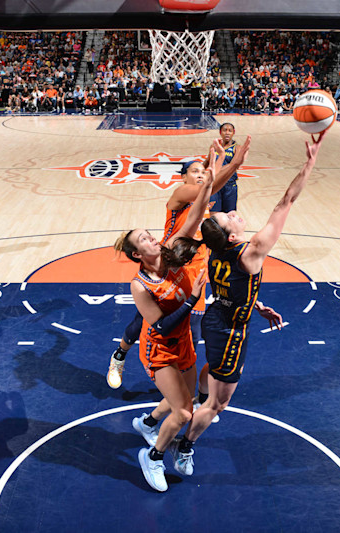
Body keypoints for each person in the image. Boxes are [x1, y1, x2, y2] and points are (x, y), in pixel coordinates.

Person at [170, 134, 323, 479]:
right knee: (218, 404)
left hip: (217, 315)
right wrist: (309, 163)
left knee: (213, 371)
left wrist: (258, 305)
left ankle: (195, 403)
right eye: (231, 219)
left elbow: (231, 289)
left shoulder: (214, 250)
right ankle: (183, 445)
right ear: (234, 237)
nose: (235, 215)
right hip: (230, 331)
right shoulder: (251, 252)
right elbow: (285, 203)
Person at [106, 136, 251, 389]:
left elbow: (212, 195)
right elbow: (209, 186)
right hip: (168, 264)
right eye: (193, 172)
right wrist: (232, 164)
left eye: (201, 172)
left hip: (194, 273)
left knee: (188, 333)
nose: (199, 175)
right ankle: (119, 355)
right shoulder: (181, 194)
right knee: (144, 321)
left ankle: (183, 385)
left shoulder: (207, 208)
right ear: (183, 177)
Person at [115, 149, 220, 492]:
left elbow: (193, 219)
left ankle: (148, 422)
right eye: (145, 239)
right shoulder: (140, 284)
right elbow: (161, 326)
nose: (153, 238)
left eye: (150, 234)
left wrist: (222, 165)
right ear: (137, 254)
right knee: (185, 413)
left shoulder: (172, 254)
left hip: (183, 342)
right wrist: (192, 298)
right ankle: (154, 456)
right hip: (159, 348)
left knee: (186, 400)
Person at [210, 123, 241, 213]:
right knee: (213, 215)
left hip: (229, 185)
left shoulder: (237, 148)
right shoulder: (214, 147)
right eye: (224, 130)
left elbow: (234, 165)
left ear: (233, 132)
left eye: (230, 131)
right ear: (220, 132)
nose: (227, 133)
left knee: (229, 216)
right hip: (215, 184)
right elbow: (208, 162)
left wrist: (217, 171)